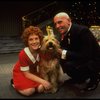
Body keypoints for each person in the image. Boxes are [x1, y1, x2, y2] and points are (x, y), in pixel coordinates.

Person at [53, 12, 100, 91]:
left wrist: (63, 52)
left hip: (93, 59)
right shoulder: (65, 31)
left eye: (60, 22)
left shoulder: (82, 31)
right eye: (55, 24)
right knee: (62, 61)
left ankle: (95, 78)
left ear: (68, 20)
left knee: (69, 64)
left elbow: (86, 55)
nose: (57, 26)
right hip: (80, 56)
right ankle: (80, 78)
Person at [11, 26, 52, 96]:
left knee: (41, 89)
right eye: (31, 39)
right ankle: (15, 84)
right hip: (21, 72)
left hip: (32, 71)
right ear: (27, 41)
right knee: (30, 91)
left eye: (36, 38)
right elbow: (26, 74)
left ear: (40, 39)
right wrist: (43, 81)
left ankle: (31, 86)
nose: (34, 42)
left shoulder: (41, 50)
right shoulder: (23, 54)